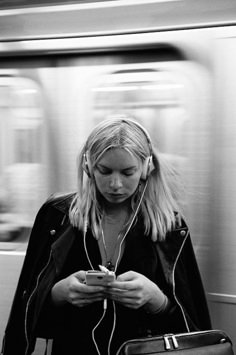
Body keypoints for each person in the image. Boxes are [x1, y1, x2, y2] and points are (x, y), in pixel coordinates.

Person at [1, 115, 211, 355]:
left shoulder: (170, 226)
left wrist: (157, 301)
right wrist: (57, 294)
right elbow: (25, 314)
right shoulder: (56, 217)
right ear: (88, 166)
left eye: (128, 172)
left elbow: (193, 329)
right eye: (105, 170)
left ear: (147, 167)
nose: (116, 184)